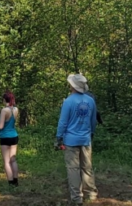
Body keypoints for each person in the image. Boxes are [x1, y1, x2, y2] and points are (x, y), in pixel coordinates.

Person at [56, 74, 98, 206]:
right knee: (87, 167)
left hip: (70, 139)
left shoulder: (68, 101)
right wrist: (91, 133)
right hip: (85, 138)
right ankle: (91, 193)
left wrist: (59, 137)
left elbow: (63, 122)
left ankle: (76, 197)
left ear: (72, 86)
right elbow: (93, 120)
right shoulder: (90, 100)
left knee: (73, 169)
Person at [0, 91, 19, 187]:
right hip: (14, 135)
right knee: (13, 159)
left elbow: (1, 126)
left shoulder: (4, 110)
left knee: (6, 161)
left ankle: (10, 182)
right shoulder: (15, 109)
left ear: (4, 100)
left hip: (5, 137)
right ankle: (15, 180)